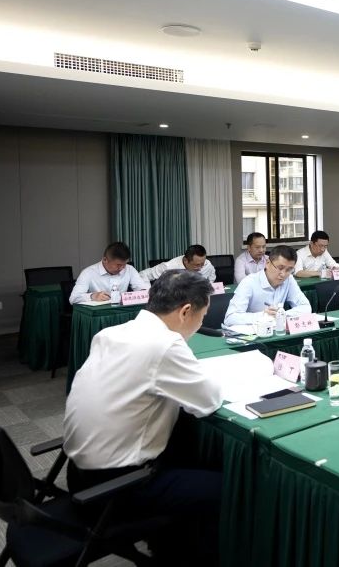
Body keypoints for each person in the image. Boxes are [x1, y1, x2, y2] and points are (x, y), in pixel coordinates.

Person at [64, 270, 222, 565]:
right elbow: (209, 401)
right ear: (186, 311)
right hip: (117, 488)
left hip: (77, 474)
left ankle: (165, 543)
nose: (201, 324)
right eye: (202, 317)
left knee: (181, 446)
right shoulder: (165, 344)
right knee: (227, 489)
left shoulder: (112, 333)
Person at [223, 245, 310, 327]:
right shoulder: (249, 282)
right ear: (267, 263)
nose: (283, 274)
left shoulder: (289, 279)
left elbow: (306, 307)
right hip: (253, 333)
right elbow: (230, 318)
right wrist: (263, 316)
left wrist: (282, 314)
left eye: (289, 270)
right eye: (280, 268)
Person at [69, 242, 149, 304]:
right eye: (118, 265)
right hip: (100, 314)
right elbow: (73, 298)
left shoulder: (129, 269)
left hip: (123, 311)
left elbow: (144, 291)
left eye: (124, 264)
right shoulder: (88, 273)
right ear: (105, 260)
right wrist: (93, 296)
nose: (122, 268)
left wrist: (142, 292)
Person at [141, 244, 216, 283]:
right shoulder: (168, 267)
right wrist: (148, 293)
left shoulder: (207, 264)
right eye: (197, 265)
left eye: (202, 264)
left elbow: (212, 275)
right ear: (186, 260)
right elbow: (143, 274)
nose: (200, 268)